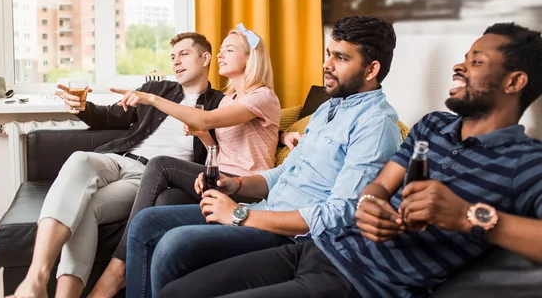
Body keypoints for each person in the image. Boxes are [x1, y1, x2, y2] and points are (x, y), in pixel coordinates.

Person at [160, 22, 542, 298]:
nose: (459, 67)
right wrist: (373, 204)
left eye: (475, 62)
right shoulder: (433, 127)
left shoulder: (526, 162)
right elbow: (377, 185)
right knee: (179, 290)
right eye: (463, 58)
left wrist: (469, 217)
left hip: (360, 281)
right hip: (318, 248)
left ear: (514, 82)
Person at [124, 15, 403, 298]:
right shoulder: (328, 110)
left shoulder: (376, 125)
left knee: (174, 244)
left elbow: (338, 216)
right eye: (328, 54)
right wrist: (237, 185)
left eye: (340, 58)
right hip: (265, 209)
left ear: (371, 69)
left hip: (291, 234)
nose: (326, 64)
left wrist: (238, 214)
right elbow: (282, 173)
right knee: (146, 222)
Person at [8, 32, 224, 298]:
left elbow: (231, 148)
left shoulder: (219, 104)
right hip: (119, 159)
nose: (176, 61)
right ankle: (36, 279)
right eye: (172, 56)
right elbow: (109, 117)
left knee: (88, 207)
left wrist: (283, 135)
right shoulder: (155, 90)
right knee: (79, 158)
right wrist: (83, 107)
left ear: (205, 58)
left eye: (184, 54)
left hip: (152, 178)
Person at [88, 24, 281, 297]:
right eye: (221, 49)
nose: (221, 55)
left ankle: (117, 269)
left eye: (229, 50)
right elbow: (223, 145)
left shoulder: (262, 96)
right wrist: (204, 136)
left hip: (247, 188)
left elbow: (207, 119)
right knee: (166, 202)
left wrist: (153, 98)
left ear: (250, 58)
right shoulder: (229, 100)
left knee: (161, 164)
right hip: (219, 178)